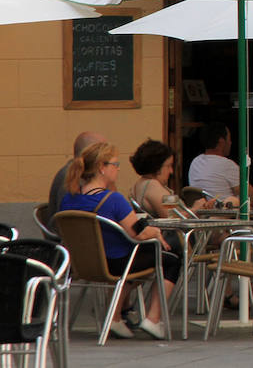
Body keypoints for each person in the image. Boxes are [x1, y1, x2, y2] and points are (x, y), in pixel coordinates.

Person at [59, 142, 178, 340]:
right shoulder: (113, 200)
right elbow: (138, 233)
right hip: (116, 264)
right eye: (115, 164)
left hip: (83, 265)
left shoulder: (69, 199)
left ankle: (114, 317)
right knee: (171, 257)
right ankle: (153, 319)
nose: (118, 168)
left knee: (135, 255)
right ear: (101, 168)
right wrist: (156, 232)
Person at [188, 122, 253, 206]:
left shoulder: (195, 162)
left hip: (199, 215)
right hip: (225, 216)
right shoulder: (227, 166)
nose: (231, 142)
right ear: (221, 141)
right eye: (229, 139)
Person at [45, 130, 105, 226]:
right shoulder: (72, 177)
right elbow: (73, 218)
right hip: (69, 236)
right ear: (91, 152)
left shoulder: (72, 172)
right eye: (104, 151)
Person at [129, 139, 188, 218]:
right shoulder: (153, 186)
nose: (171, 171)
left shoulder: (140, 183)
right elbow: (172, 216)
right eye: (168, 166)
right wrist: (196, 209)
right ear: (157, 167)